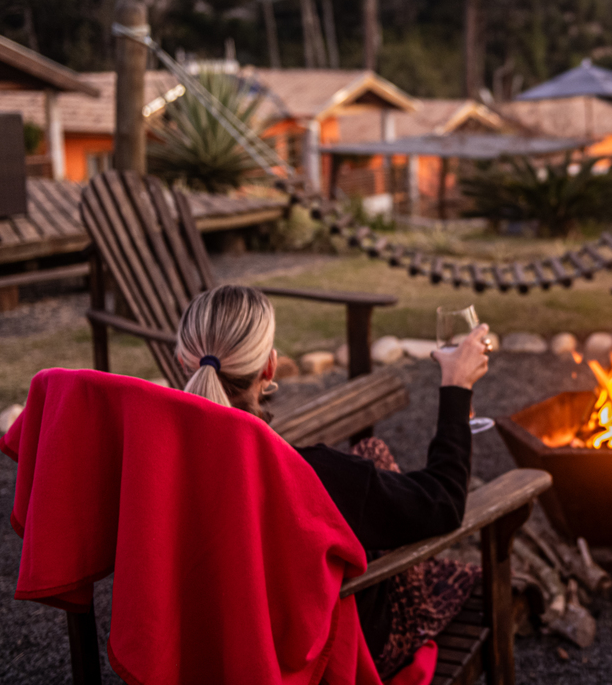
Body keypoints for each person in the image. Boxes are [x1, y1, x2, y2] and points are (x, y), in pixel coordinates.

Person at [174, 284, 490, 678]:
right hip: (335, 648)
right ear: (270, 368)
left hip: (216, 641)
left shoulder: (159, 470)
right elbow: (443, 502)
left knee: (371, 452)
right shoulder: (310, 475)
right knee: (376, 476)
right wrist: (457, 387)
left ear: (185, 366)